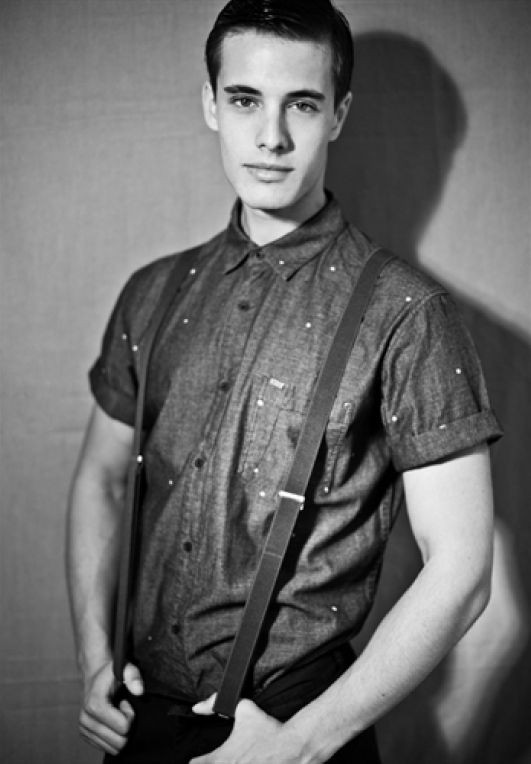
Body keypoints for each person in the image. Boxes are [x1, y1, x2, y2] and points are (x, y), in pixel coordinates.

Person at [66, 1, 502, 762]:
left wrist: (299, 746)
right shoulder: (152, 292)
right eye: (245, 100)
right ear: (211, 104)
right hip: (140, 721)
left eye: (301, 103)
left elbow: (462, 571)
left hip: (296, 728)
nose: (270, 137)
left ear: (338, 114)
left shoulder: (407, 314)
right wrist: (94, 656)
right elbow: (102, 478)